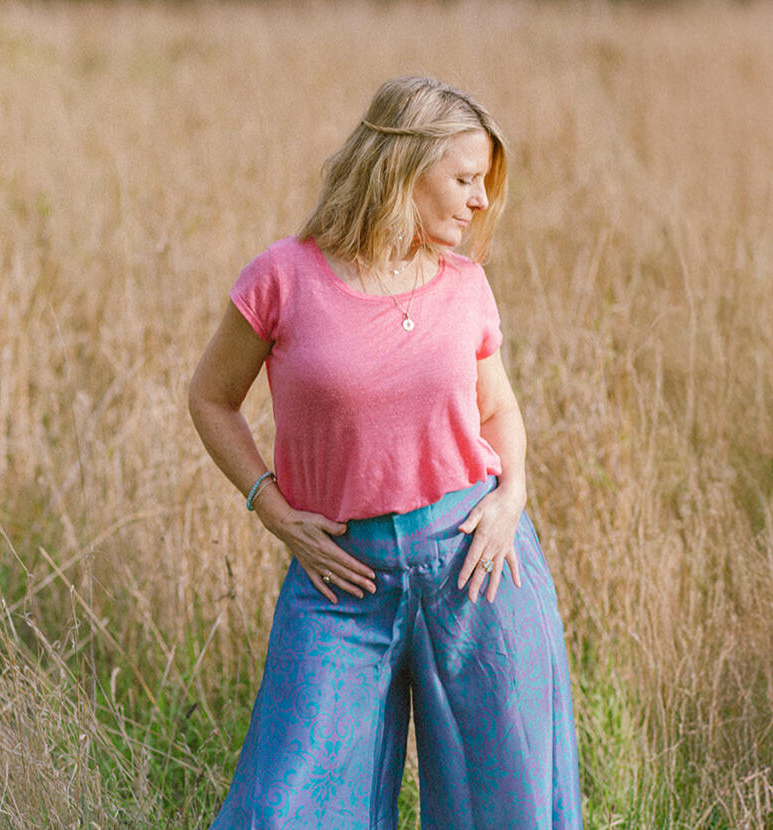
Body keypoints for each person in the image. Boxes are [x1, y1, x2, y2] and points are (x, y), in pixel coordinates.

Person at [188, 76, 582, 829]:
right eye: (465, 179)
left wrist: (511, 499)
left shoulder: (465, 285)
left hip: (478, 567)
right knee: (284, 807)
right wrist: (272, 510)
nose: (480, 202)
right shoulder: (283, 277)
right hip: (339, 584)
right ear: (402, 169)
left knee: (509, 808)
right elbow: (210, 398)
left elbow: (498, 409)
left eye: (484, 184)